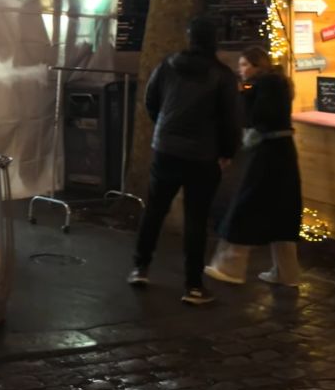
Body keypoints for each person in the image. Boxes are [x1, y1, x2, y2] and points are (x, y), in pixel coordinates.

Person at [130, 17, 241, 305]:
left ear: (189, 37)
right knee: (196, 217)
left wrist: (163, 128)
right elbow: (231, 119)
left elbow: (150, 100)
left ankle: (140, 267)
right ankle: (193, 285)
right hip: (203, 156)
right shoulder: (223, 75)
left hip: (166, 148)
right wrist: (228, 152)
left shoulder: (168, 65)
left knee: (155, 209)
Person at [204, 47, 303, 287]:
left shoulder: (264, 86)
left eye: (246, 65)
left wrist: (244, 99)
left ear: (259, 66)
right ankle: (286, 272)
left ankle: (230, 265)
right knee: (281, 210)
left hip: (268, 151)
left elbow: (259, 116)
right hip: (283, 151)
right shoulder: (278, 84)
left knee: (246, 204)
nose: (242, 70)